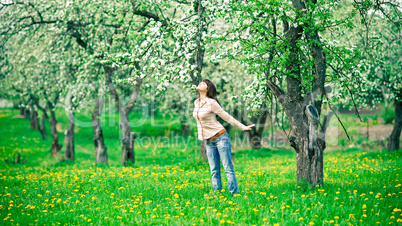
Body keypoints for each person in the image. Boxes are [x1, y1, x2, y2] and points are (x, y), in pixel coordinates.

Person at [192, 79, 255, 196]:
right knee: (214, 170)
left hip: (220, 137)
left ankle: (234, 194)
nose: (200, 84)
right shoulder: (197, 102)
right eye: (200, 82)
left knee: (228, 168)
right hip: (208, 141)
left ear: (208, 89)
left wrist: (243, 127)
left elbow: (227, 117)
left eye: (203, 83)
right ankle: (217, 195)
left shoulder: (212, 103)